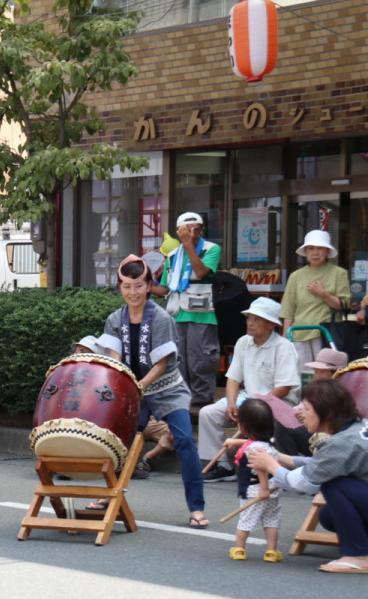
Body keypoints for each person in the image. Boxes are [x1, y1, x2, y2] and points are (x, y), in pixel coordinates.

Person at [98, 255, 207, 527]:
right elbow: (114, 357)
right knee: (113, 440)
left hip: (167, 388)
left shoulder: (160, 318)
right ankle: (107, 496)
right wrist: (125, 386)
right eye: (126, 286)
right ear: (120, 287)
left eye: (138, 286)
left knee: (184, 441)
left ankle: (196, 508)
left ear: (148, 286)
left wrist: (139, 385)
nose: (132, 292)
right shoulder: (115, 319)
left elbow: (162, 363)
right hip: (132, 389)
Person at [248, 380, 368, 574]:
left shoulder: (341, 444)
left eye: (305, 408)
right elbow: (322, 465)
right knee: (328, 516)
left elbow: (303, 483)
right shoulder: (356, 428)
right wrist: (280, 457)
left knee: (333, 484)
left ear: (327, 413)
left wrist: (270, 465)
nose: (298, 412)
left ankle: (359, 556)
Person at [198, 297, 299, 482]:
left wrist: (254, 407)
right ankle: (222, 465)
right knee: (208, 413)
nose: (250, 323)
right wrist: (230, 403)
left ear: (270, 325)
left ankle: (264, 468)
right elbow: (233, 378)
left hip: (277, 402)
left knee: (258, 416)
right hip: (249, 398)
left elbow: (284, 387)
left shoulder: (284, 346)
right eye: (249, 318)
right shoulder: (243, 342)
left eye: (256, 319)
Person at [151, 211, 222, 407]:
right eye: (186, 230)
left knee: (200, 362)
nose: (192, 234)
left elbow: (201, 273)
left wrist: (188, 246)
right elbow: (165, 288)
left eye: (196, 229)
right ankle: (182, 403)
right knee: (179, 363)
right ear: (178, 232)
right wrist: (145, 284)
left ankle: (202, 405)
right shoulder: (173, 256)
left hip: (202, 316)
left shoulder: (211, 249)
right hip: (176, 315)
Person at [222, 399, 283, 562]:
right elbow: (254, 443)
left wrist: (263, 488)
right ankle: (271, 551)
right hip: (274, 488)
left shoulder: (254, 449)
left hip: (256, 489)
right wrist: (235, 441)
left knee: (246, 520)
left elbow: (261, 468)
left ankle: (239, 548)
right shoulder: (268, 443)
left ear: (244, 426)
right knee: (271, 519)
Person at [281, 230, 349, 367]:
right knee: (301, 376)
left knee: (325, 375)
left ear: (327, 252)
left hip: (325, 333)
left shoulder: (339, 273)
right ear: (305, 252)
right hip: (298, 333)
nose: (315, 252)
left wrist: (323, 293)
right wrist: (285, 339)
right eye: (310, 248)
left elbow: (343, 305)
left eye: (320, 248)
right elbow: (288, 310)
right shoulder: (296, 276)